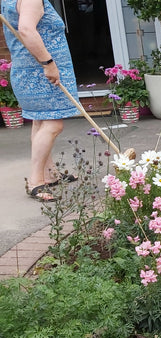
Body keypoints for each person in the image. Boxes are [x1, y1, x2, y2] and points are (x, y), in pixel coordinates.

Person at [2, 0, 80, 201]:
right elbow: (26, 30)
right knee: (53, 125)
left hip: (30, 72)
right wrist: (49, 63)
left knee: (41, 121)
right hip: (40, 73)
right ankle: (35, 181)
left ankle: (49, 174)